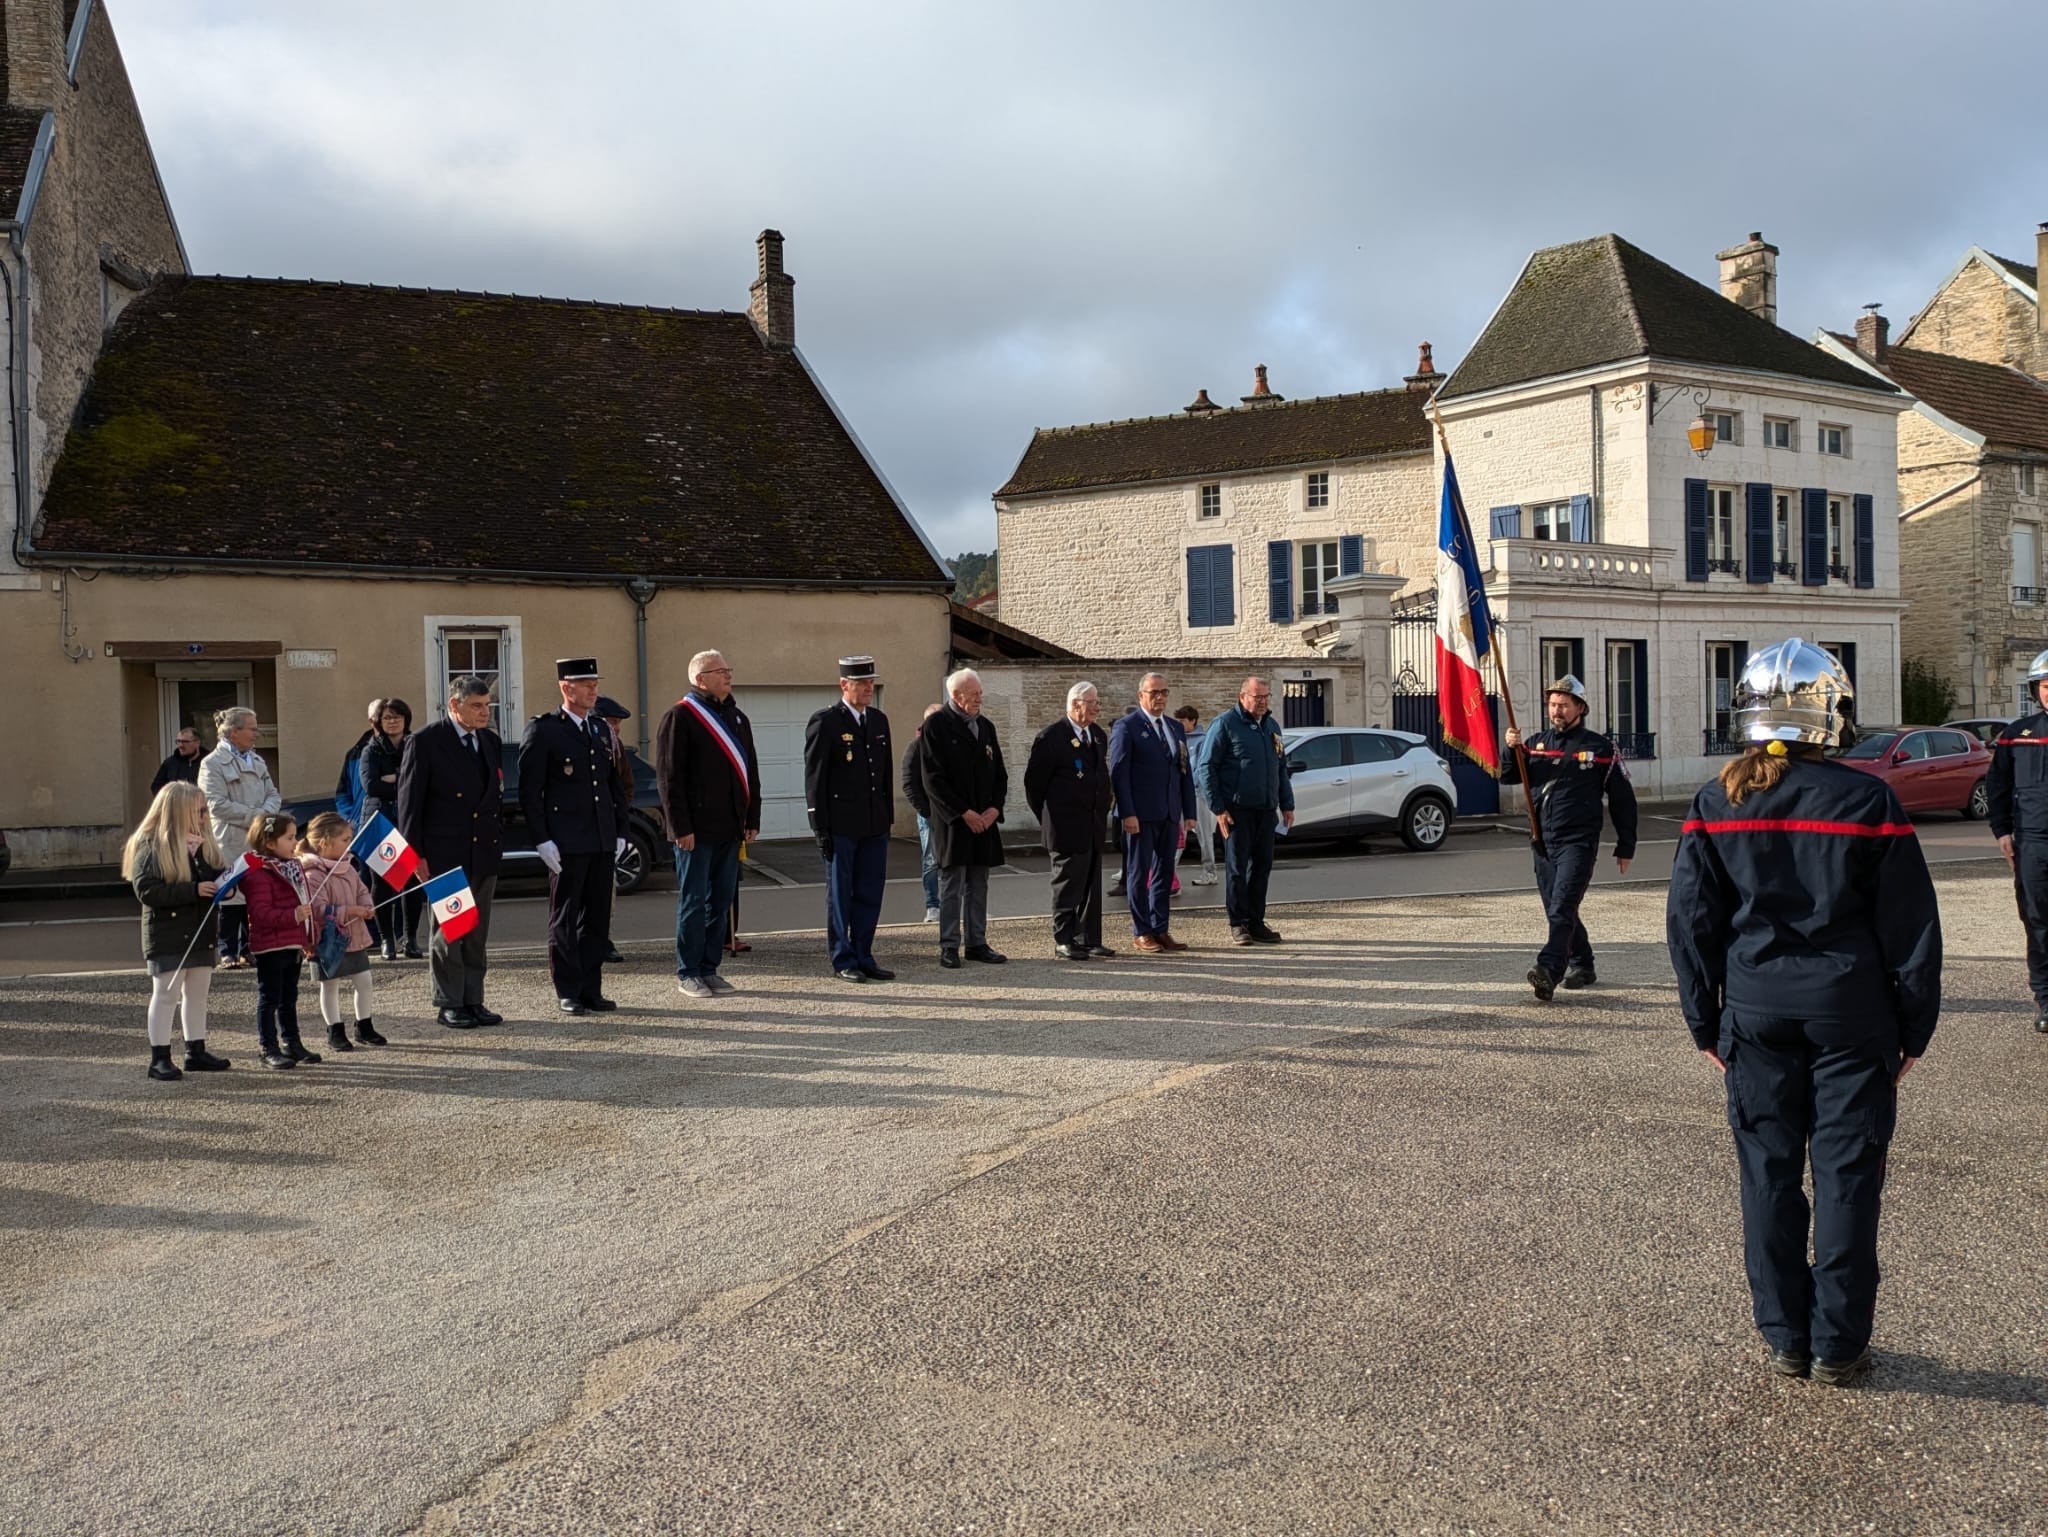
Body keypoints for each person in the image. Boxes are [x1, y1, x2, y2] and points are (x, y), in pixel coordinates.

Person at [1667, 638, 1941, 1386]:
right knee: (1847, 1176)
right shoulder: (1866, 800)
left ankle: (1786, 1335)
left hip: (1756, 1010)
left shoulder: (1718, 800)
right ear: (1830, 712)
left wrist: (1703, 1019)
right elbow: (1911, 926)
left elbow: (1690, 923)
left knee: (1768, 1174)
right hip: (1852, 1014)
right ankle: (1838, 1343)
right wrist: (1915, 1025)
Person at [1502, 674, 1639, 1000]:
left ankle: (1548, 970)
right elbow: (1507, 776)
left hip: (1579, 841)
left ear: (1580, 708)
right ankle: (1583, 963)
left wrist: (1626, 845)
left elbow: (1623, 799)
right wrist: (1510, 750)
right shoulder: (1535, 744)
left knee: (1562, 905)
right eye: (1552, 705)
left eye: (1563, 705)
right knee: (1557, 907)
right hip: (1542, 839)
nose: (1556, 711)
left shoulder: (1600, 748)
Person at [521, 658, 630, 1017]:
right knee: (565, 918)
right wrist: (542, 839)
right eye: (586, 685)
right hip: (566, 841)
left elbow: (614, 786)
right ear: (566, 687)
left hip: (600, 838)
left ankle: (590, 988)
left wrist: (620, 830)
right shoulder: (545, 730)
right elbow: (531, 791)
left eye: (595, 684)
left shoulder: (599, 729)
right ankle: (568, 989)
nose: (593, 690)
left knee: (597, 919)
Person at [397, 675, 506, 1029]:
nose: (484, 712)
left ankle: (473, 999)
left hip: (482, 850)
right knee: (450, 930)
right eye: (476, 706)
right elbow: (410, 803)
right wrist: (414, 855)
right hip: (445, 853)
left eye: (487, 705)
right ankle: (449, 1002)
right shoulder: (426, 741)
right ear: (454, 705)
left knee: (476, 931)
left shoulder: (489, 741)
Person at [657, 651, 762, 999]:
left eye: (728, 669)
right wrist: (679, 827)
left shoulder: (737, 718)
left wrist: (752, 817)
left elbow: (750, 771)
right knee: (694, 901)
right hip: (695, 831)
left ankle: (709, 968)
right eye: (720, 671)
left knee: (720, 901)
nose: (728, 675)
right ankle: (688, 971)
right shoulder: (681, 717)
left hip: (730, 828)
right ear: (700, 679)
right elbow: (670, 779)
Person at [123, 781, 232, 1080]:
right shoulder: (151, 846)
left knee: (197, 994)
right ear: (179, 812)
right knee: (166, 994)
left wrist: (227, 885)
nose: (205, 817)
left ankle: (195, 1050)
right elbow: (147, 890)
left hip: (199, 930)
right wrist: (194, 889)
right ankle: (159, 1057)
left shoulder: (202, 844)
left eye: (205, 811)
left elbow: (213, 878)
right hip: (168, 933)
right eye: (199, 811)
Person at [805, 656, 897, 983]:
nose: (869, 688)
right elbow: (815, 779)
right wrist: (819, 828)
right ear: (844, 685)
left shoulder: (878, 721)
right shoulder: (827, 722)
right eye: (862, 683)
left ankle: (864, 954)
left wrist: (887, 819)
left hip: (873, 824)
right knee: (841, 894)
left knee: (870, 891)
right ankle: (843, 958)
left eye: (871, 682)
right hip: (841, 825)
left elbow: (884, 775)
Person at [918, 667, 1008, 968]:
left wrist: (994, 809)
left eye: (980, 694)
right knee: (952, 885)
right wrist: (963, 812)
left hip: (984, 820)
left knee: (979, 883)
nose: (980, 699)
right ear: (956, 695)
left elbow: (999, 774)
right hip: (954, 822)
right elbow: (933, 779)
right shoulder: (936, 726)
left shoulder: (986, 727)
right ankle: (949, 945)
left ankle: (977, 943)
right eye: (974, 694)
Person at [1199, 676, 1296, 945]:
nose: (1263, 701)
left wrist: (1287, 804)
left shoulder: (1271, 726)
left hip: (1266, 810)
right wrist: (1218, 808)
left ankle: (1256, 921)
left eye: (1266, 697)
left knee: (1262, 867)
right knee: (1237, 869)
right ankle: (1238, 922)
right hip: (1236, 811)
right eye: (1257, 697)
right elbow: (1206, 767)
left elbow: (1280, 768)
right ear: (1243, 697)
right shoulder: (1225, 724)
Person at [1024, 681, 1115, 960]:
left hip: (1092, 824)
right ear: (1076, 704)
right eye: (1093, 702)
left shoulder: (1097, 735)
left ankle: (1089, 938)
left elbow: (1100, 775)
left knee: (1090, 885)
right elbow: (1034, 785)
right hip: (1064, 826)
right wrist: (1049, 817)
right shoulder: (1051, 737)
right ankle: (1064, 939)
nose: (1097, 707)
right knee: (1066, 885)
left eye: (1097, 702)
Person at [1108, 673, 1197, 954]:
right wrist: (1127, 812)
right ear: (1141, 696)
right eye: (1153, 692)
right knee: (1139, 873)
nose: (1159, 697)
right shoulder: (1127, 726)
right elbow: (1119, 773)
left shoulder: (1174, 727)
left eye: (1164, 692)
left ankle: (1160, 928)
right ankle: (1142, 931)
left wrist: (1189, 811)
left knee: (1164, 872)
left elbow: (1183, 770)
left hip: (1169, 813)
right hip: (1141, 815)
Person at [1985, 647, 2048, 1033]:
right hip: (2033, 842)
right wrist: (2002, 831)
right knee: (2038, 920)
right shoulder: (2017, 735)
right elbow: (1997, 786)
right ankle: (2046, 999)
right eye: (2046, 686)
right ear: (2035, 690)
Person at [197, 707, 280, 970]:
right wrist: (257, 817)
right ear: (234, 732)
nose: (257, 733)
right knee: (230, 894)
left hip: (258, 839)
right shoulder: (211, 763)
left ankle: (249, 949)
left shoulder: (257, 760)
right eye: (252, 729)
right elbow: (215, 804)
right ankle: (227, 950)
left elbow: (274, 795)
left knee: (255, 894)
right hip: (230, 838)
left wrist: (264, 816)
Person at [241, 811, 321, 1070]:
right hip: (270, 946)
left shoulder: (292, 868)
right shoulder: (258, 873)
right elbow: (260, 914)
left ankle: (292, 1042)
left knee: (289, 998)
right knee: (270, 998)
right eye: (289, 837)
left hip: (292, 942)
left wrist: (307, 936)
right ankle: (268, 1047)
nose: (295, 842)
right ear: (269, 842)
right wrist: (293, 915)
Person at [297, 813, 384, 1053]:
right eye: (345, 839)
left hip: (354, 936)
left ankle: (364, 1025)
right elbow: (318, 910)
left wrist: (367, 905)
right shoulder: (312, 873)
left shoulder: (348, 866)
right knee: (330, 985)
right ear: (325, 842)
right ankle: (334, 1030)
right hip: (328, 941)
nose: (350, 844)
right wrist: (352, 910)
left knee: (364, 981)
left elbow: (362, 890)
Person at [359, 698, 425, 960]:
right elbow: (372, 786)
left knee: (413, 881)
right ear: (378, 721)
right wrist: (404, 781)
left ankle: (409, 939)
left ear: (406, 719)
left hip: (411, 820)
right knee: (382, 883)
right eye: (387, 717)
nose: (393, 721)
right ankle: (386, 939)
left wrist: (394, 779)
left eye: (397, 716)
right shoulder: (371, 750)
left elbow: (423, 783)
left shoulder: (416, 745)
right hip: (381, 821)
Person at [595, 696, 636, 967]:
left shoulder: (616, 747)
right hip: (580, 832)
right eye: (612, 722)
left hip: (608, 829)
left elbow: (626, 786)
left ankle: (603, 939)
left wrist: (618, 819)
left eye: (618, 723)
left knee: (606, 890)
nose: (617, 728)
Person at [902, 702, 944, 924]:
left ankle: (960, 906)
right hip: (930, 816)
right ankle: (933, 905)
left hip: (953, 814)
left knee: (957, 862)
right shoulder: (916, 748)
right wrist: (926, 811)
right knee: (931, 860)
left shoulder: (953, 744)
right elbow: (909, 783)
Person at [1173, 705, 1218, 888]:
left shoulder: (1202, 740)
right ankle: (1168, 873)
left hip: (1197, 795)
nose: (1180, 724)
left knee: (1204, 836)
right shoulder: (1177, 739)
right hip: (1180, 795)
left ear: (1193, 721)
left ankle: (1210, 872)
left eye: (1183, 721)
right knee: (1178, 836)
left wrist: (1193, 787)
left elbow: (1201, 767)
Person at [150, 728, 204, 794]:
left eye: (185, 742)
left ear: (197, 743)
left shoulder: (207, 763)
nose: (180, 745)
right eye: (178, 741)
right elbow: (156, 787)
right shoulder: (170, 763)